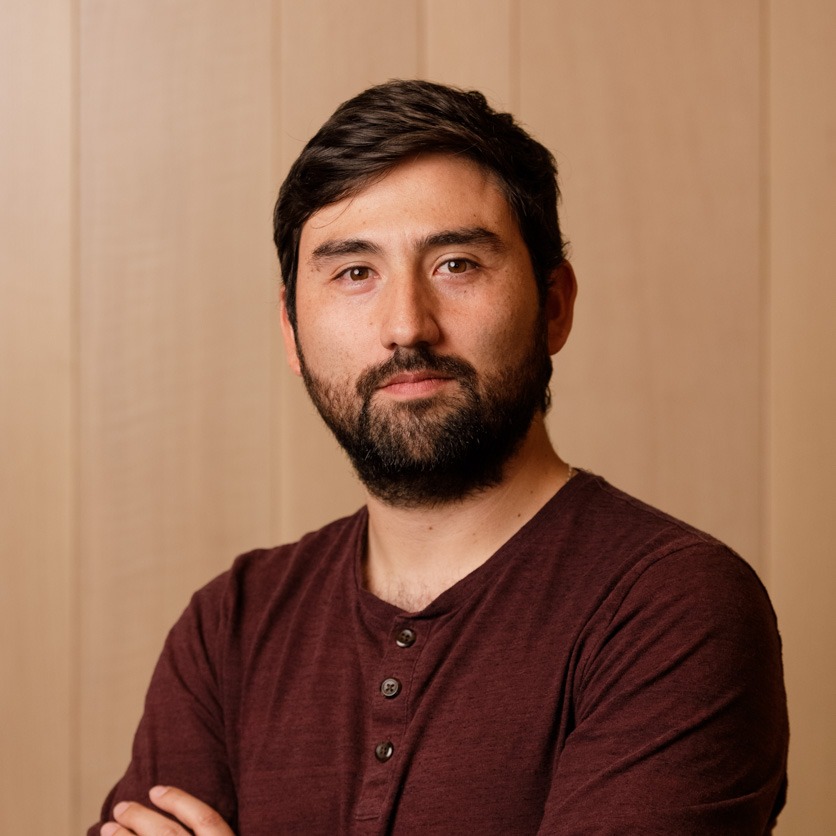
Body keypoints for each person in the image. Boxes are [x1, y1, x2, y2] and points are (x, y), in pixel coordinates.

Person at [92, 80, 788, 835]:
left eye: (456, 263)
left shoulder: (672, 608)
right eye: (355, 272)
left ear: (554, 305)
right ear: (292, 332)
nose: (406, 326)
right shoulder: (231, 626)